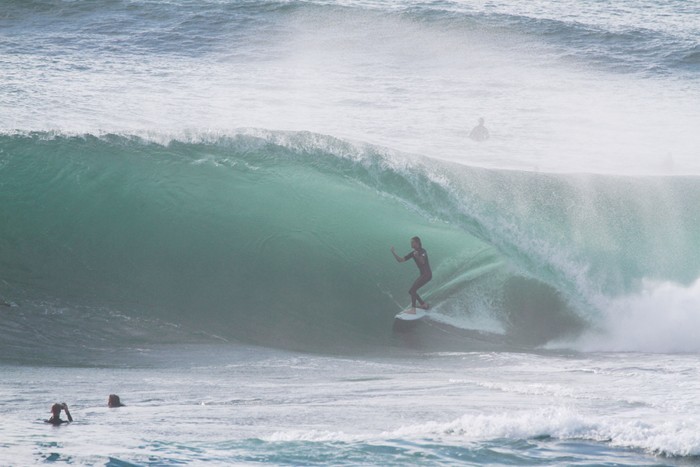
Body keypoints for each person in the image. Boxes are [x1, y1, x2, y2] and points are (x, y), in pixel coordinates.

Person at [391, 236, 432, 314]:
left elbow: (423, 262)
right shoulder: (413, 253)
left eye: (412, 242)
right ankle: (423, 304)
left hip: (427, 274)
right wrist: (393, 252)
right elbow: (401, 260)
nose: (411, 243)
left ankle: (413, 309)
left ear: (417, 243)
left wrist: (417, 256)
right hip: (423, 275)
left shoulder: (422, 251)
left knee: (413, 290)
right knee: (411, 291)